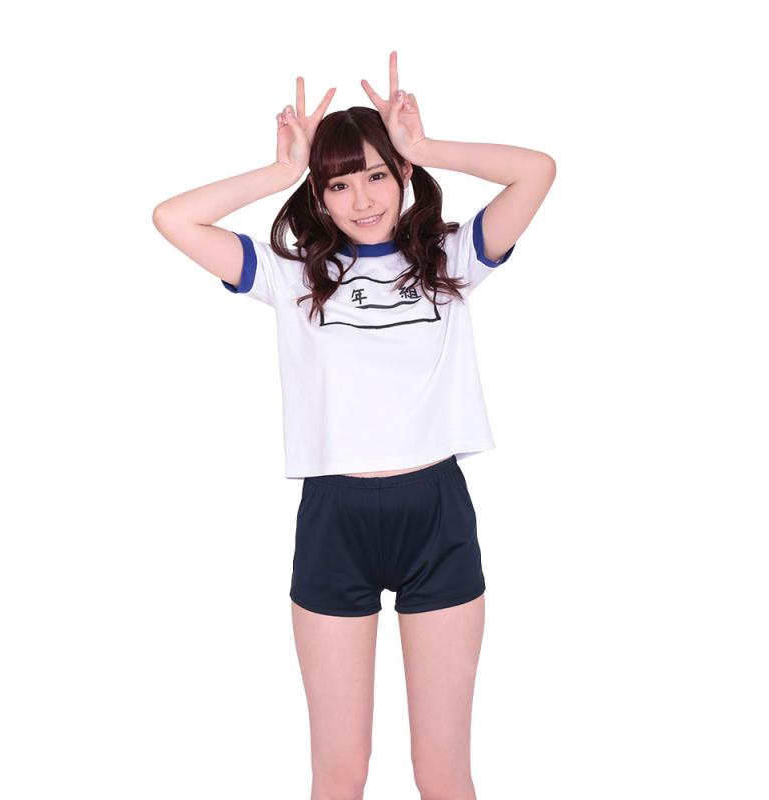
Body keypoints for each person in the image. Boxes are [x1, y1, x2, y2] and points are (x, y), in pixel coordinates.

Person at [153, 50, 555, 800]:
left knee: (442, 773)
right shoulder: (293, 275)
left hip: (436, 514)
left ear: (402, 175)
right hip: (335, 518)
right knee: (339, 772)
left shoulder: (451, 260)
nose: (361, 198)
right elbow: (172, 218)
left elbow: (536, 171)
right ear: (319, 195)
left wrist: (426, 147)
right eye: (338, 183)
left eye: (376, 174)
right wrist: (281, 171)